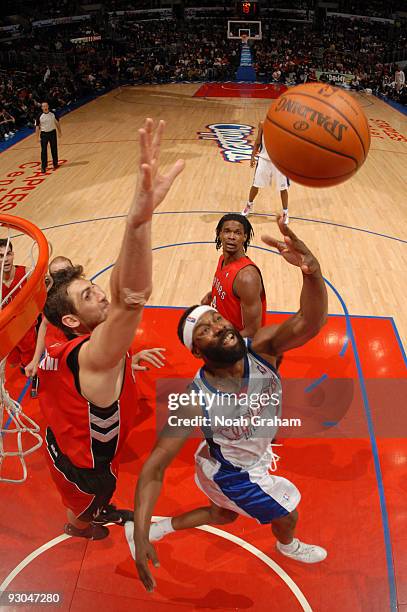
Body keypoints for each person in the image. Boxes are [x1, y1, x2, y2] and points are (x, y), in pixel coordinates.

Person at [130, 217, 328, 592]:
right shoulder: (194, 398)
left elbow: (310, 321)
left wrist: (312, 273)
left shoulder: (265, 349)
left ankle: (161, 527)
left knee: (222, 514)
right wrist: (137, 532)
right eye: (204, 330)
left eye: (218, 320)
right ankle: (287, 545)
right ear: (195, 350)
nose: (219, 327)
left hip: (221, 458)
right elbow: (154, 468)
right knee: (287, 513)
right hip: (236, 472)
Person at [37, 118, 184, 540]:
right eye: (88, 297)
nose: (100, 296)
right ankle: (81, 525)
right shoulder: (95, 356)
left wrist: (132, 225)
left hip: (62, 438)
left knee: (90, 487)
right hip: (84, 463)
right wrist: (138, 225)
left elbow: (119, 289)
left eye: (95, 288)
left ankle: (87, 511)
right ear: (71, 321)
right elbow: (130, 298)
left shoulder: (74, 350)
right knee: (90, 500)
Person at [201, 214, 266, 338]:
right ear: (219, 234)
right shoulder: (222, 260)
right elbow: (230, 291)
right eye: (227, 231)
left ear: (245, 237)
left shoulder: (247, 277)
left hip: (237, 347)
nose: (231, 237)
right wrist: (211, 296)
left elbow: (252, 331)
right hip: (222, 334)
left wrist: (220, 344)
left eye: (237, 233)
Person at [241, 121, 290, 224]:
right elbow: (258, 141)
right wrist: (252, 156)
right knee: (255, 184)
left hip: (279, 161)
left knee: (283, 188)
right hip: (264, 159)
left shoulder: (285, 123)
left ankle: (285, 212)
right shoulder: (263, 124)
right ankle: (249, 205)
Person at [0, 239, 37, 369]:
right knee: (13, 363)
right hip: (6, 330)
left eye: (8, 254)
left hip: (26, 327)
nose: (6, 259)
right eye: (1, 255)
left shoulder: (27, 273)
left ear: (13, 255)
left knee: (29, 365)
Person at [35, 101, 62, 173]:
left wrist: (59, 132)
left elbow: (57, 123)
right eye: (43, 106)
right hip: (44, 134)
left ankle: (55, 163)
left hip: (52, 133)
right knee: (43, 151)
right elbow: (37, 127)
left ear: (48, 106)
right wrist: (37, 137)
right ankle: (43, 166)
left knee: (54, 148)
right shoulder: (39, 116)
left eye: (46, 106)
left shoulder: (53, 114)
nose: (45, 107)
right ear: (41, 108)